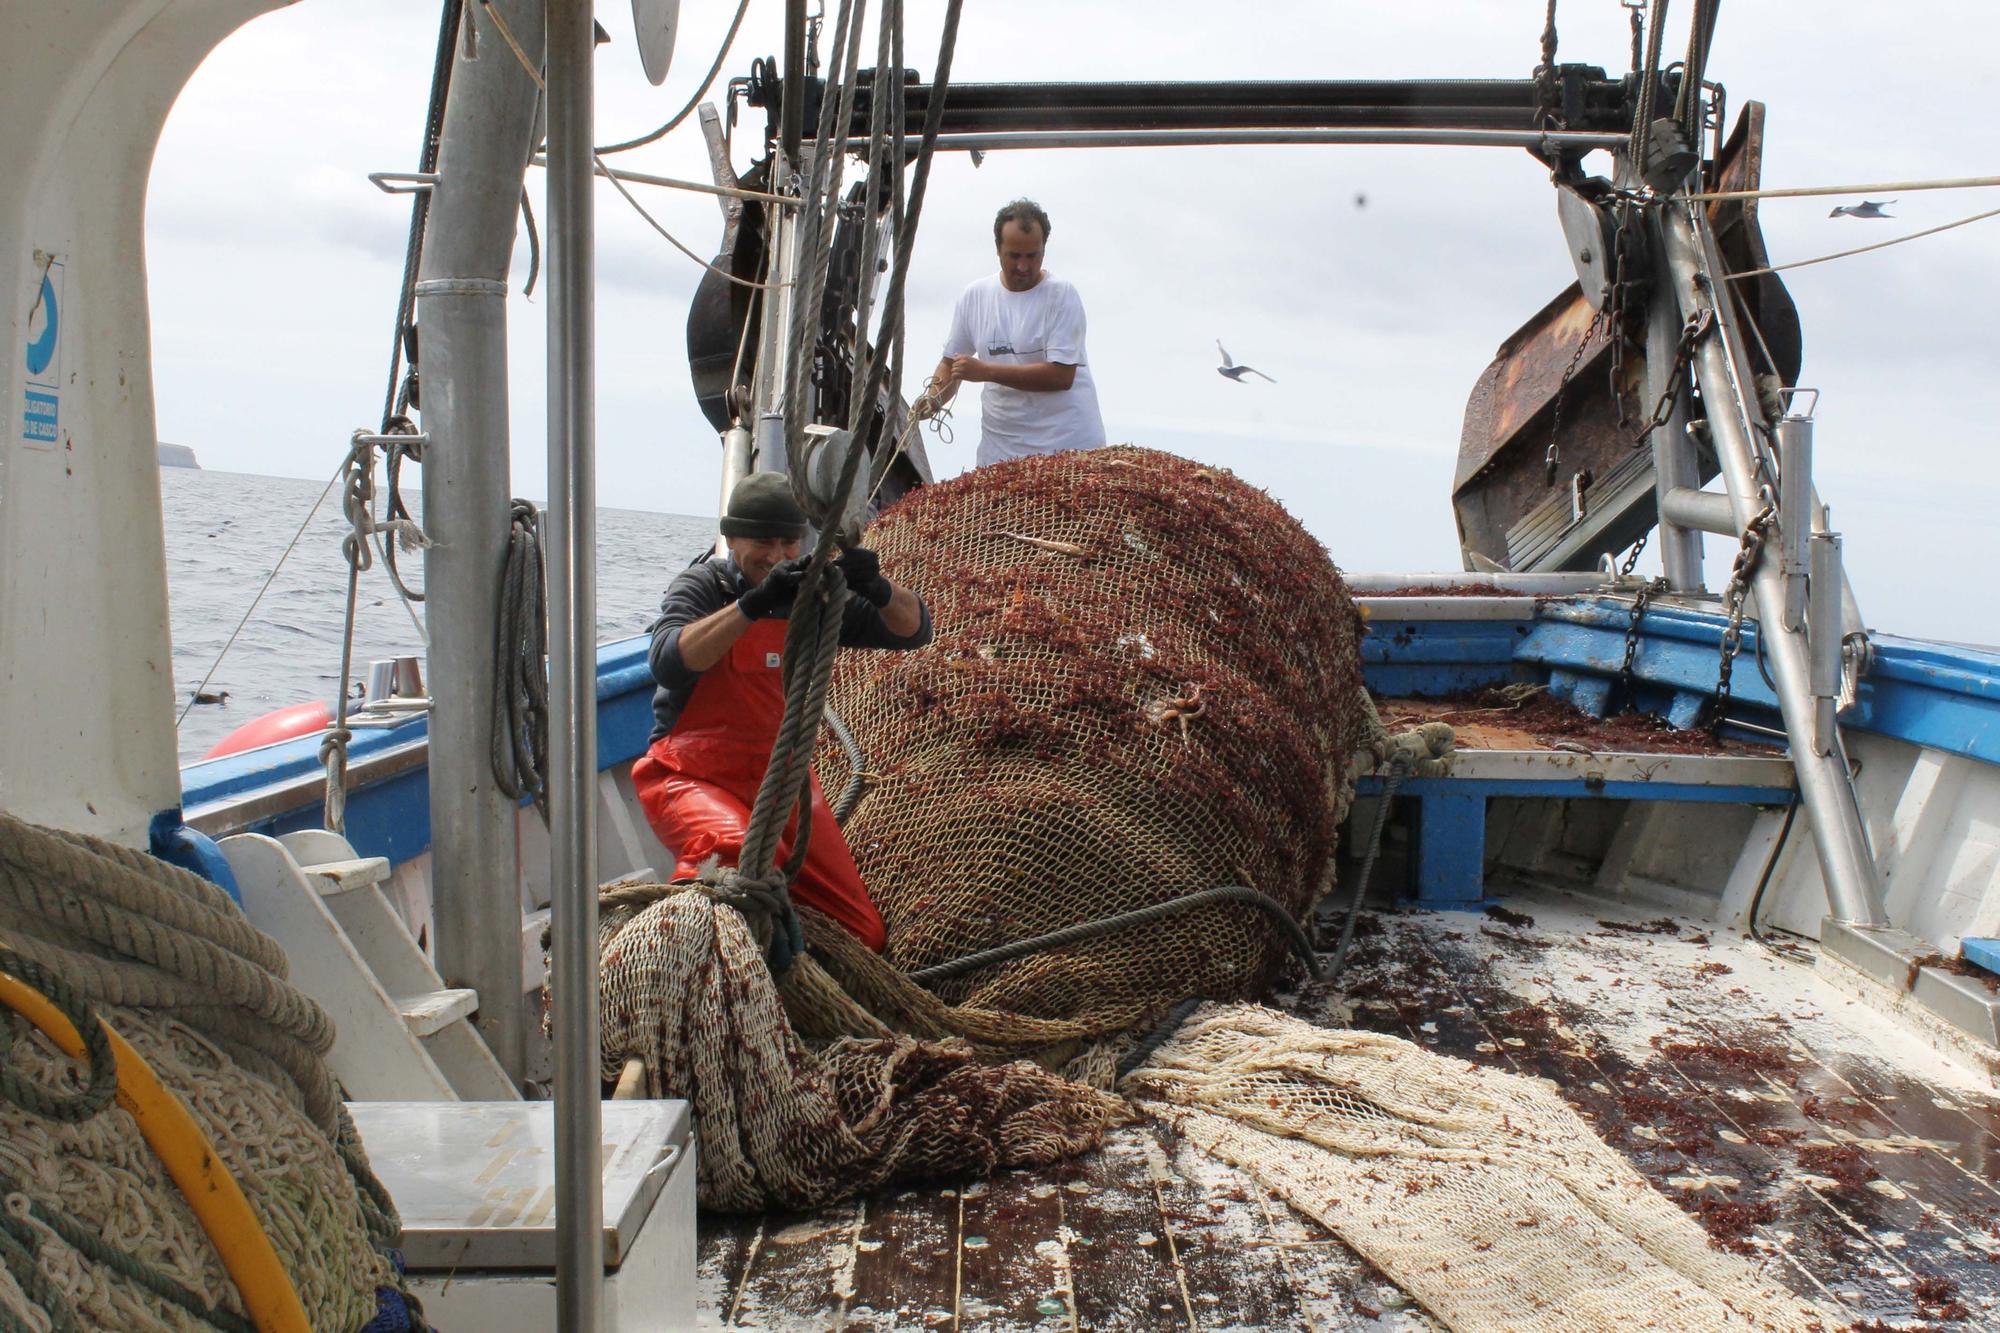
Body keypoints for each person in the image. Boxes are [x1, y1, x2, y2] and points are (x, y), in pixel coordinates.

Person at [630, 472, 931, 951]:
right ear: (730, 538)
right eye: (761, 541)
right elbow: (668, 659)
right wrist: (753, 605)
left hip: (783, 783)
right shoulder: (702, 585)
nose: (776, 555)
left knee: (862, 933)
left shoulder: (812, 596)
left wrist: (878, 589)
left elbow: (913, 632)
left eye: (788, 542)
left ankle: (798, 985)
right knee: (732, 860)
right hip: (691, 776)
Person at [919, 198, 1105, 469]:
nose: (1023, 267)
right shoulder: (975, 297)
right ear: (998, 249)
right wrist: (932, 399)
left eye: (1033, 256)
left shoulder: (1062, 295)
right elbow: (950, 363)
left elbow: (1061, 376)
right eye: (1014, 256)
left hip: (1068, 450)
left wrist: (985, 371)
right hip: (1001, 453)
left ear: (1043, 249)